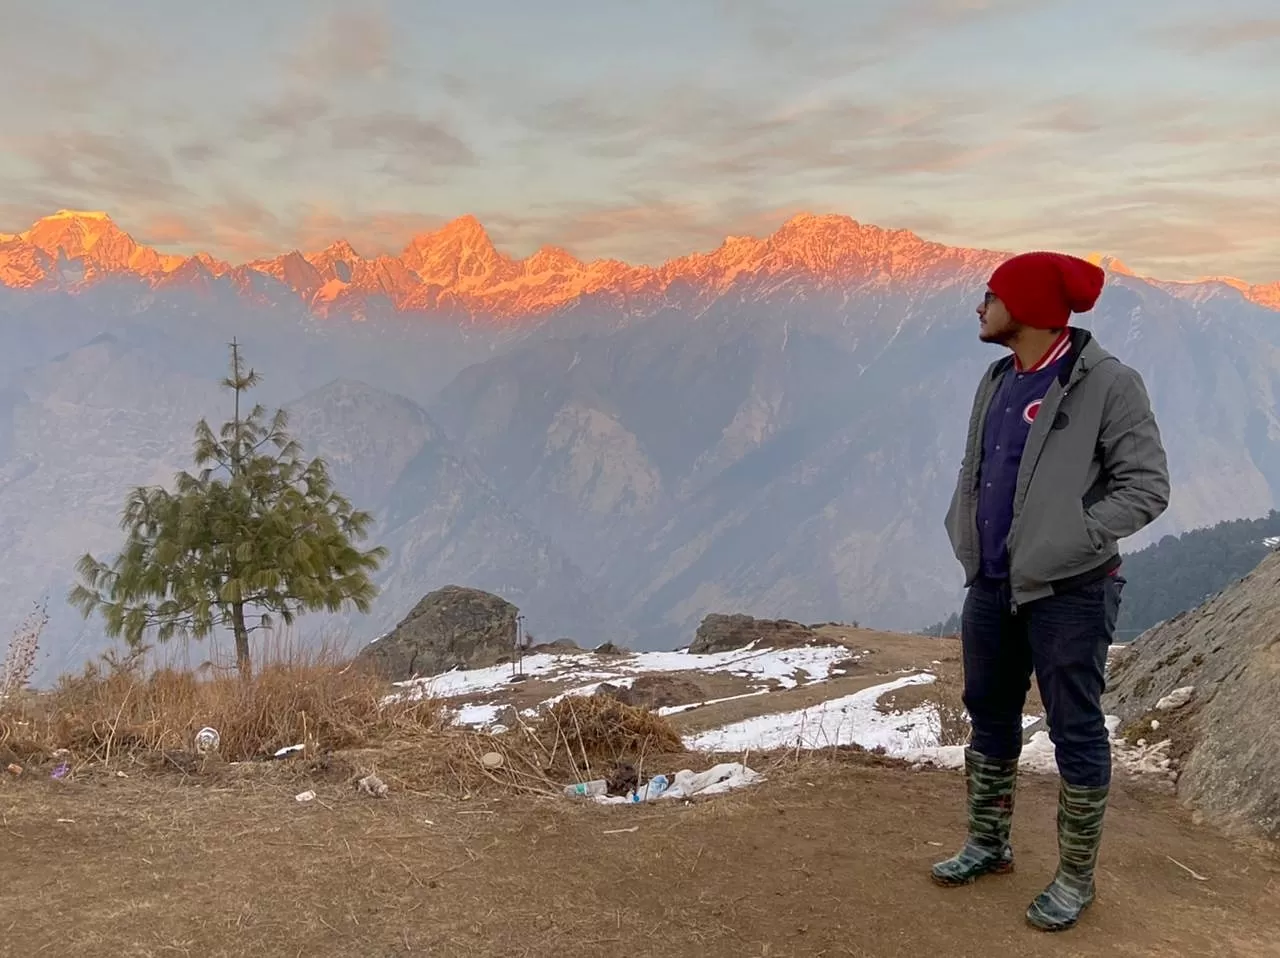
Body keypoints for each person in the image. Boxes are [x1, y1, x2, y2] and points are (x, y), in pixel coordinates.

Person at [935, 251, 1170, 931]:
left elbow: (1146, 487)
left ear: (1031, 308)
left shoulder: (1108, 384)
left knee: (1074, 728)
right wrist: (969, 537)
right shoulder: (997, 378)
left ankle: (1075, 879)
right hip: (992, 583)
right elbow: (982, 470)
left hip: (1071, 591)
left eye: (992, 295)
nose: (981, 306)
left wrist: (1075, 538)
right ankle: (988, 843)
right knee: (988, 712)